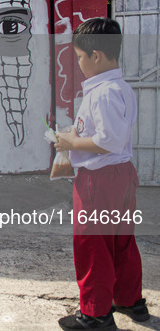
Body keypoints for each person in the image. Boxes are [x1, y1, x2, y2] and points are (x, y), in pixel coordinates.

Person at [55, 18, 149, 330]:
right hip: (121, 176)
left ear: (96, 55)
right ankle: (128, 299)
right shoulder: (120, 88)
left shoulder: (103, 93)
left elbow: (109, 141)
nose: (79, 63)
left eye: (80, 57)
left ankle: (95, 314)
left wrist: (70, 142)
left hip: (99, 179)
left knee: (92, 244)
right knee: (121, 240)